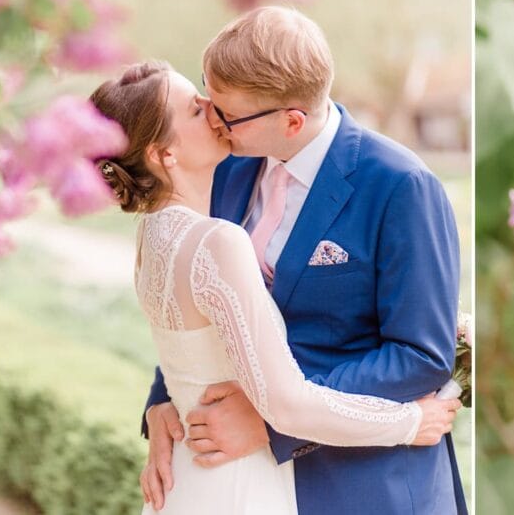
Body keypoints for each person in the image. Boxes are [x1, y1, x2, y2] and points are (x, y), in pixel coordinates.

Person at [90, 59, 461, 515]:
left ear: (290, 118)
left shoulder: (401, 183)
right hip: (232, 474)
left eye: (216, 101)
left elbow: (421, 354)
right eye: (196, 106)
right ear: (163, 154)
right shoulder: (223, 184)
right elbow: (199, 322)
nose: (213, 112)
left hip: (339, 482)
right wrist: (162, 403)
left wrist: (260, 421)